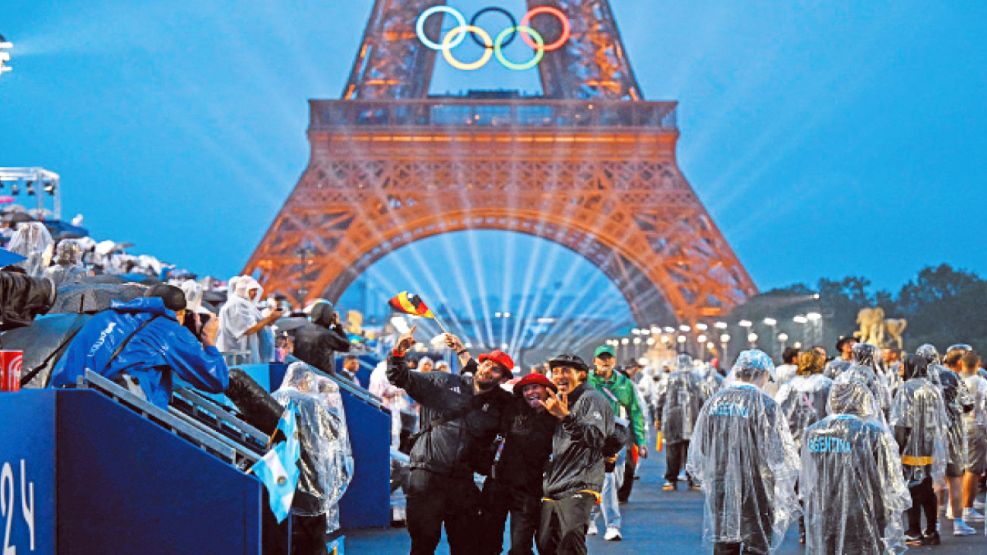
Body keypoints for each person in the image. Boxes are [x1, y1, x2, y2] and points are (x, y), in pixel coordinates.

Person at [387, 327, 513, 555]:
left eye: (496, 370)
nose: (488, 370)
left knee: (467, 547)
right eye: (486, 364)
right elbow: (399, 377)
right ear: (479, 364)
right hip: (426, 476)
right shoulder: (442, 381)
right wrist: (398, 353)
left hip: (462, 482)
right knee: (423, 545)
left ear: (503, 379)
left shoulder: (501, 404)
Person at [687, 349, 800, 555]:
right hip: (757, 483)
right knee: (756, 540)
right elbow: (778, 452)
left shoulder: (715, 402)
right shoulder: (766, 405)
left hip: (721, 479)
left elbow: (702, 446)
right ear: (762, 374)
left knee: (724, 536)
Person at [50, 284, 228, 409]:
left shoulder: (107, 315)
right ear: (180, 313)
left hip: (64, 397)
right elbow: (216, 380)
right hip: (118, 408)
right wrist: (208, 340)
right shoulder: (170, 330)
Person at [800, 381, 910, 555]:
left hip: (825, 504)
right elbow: (889, 475)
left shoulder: (814, 431)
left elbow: (809, 474)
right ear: (862, 400)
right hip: (865, 506)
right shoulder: (873, 431)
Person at [272, 363, 354, 554]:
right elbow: (334, 436)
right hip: (312, 480)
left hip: (280, 478)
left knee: (284, 534)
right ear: (304, 381)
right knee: (313, 534)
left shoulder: (273, 398)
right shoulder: (312, 403)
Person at [537, 354, 615, 555]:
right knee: (546, 544)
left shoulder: (592, 399)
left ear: (581, 374)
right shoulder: (555, 400)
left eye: (565, 371)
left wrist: (565, 417)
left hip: (581, 481)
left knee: (571, 538)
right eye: (555, 372)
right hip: (552, 485)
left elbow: (597, 439)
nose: (559, 376)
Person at [476, 372, 558, 555]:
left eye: (535, 387)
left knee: (521, 546)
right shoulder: (513, 406)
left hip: (529, 490)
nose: (530, 392)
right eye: (526, 389)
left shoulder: (558, 415)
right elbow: (490, 387)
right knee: (487, 542)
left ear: (548, 390)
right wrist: (463, 354)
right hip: (498, 484)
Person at [586, 345, 647, 541]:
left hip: (617, 437)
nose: (605, 362)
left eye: (608, 358)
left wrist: (640, 440)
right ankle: (610, 524)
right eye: (601, 358)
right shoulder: (585, 381)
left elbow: (635, 412)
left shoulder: (625, 384)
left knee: (616, 481)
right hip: (591, 438)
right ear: (594, 361)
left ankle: (593, 517)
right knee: (605, 480)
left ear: (614, 361)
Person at [891, 354, 949, 545]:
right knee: (927, 488)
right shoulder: (933, 389)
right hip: (930, 445)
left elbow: (902, 422)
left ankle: (914, 530)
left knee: (912, 489)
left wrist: (897, 448)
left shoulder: (906, 389)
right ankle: (932, 529)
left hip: (912, 447)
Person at [927, 345, 975, 534]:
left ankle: (935, 522)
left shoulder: (919, 380)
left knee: (935, 480)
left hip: (930, 433)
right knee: (955, 478)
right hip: (953, 429)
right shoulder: (952, 376)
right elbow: (968, 403)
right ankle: (958, 522)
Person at [656, 353, 704, 491]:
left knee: (673, 451)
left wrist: (658, 417)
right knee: (692, 451)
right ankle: (693, 480)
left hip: (672, 420)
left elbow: (661, 399)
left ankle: (671, 480)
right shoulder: (697, 379)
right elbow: (704, 400)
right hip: (694, 420)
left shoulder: (670, 378)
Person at [217, 275, 280, 364]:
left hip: (246, 357)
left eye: (256, 290)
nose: (255, 293)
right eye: (252, 290)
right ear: (243, 290)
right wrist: (270, 318)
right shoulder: (236, 304)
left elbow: (261, 325)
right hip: (238, 359)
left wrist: (273, 318)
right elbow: (248, 329)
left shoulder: (247, 306)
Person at [957, 351, 987, 523]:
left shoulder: (958, 381)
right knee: (973, 469)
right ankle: (967, 507)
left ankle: (958, 506)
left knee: (961, 468)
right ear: (978, 364)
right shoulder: (981, 382)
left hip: (959, 427)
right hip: (976, 427)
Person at [291, 300, 351, 377]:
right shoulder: (327, 334)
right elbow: (346, 346)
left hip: (303, 375)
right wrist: (337, 325)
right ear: (328, 315)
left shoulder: (301, 330)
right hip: (323, 377)